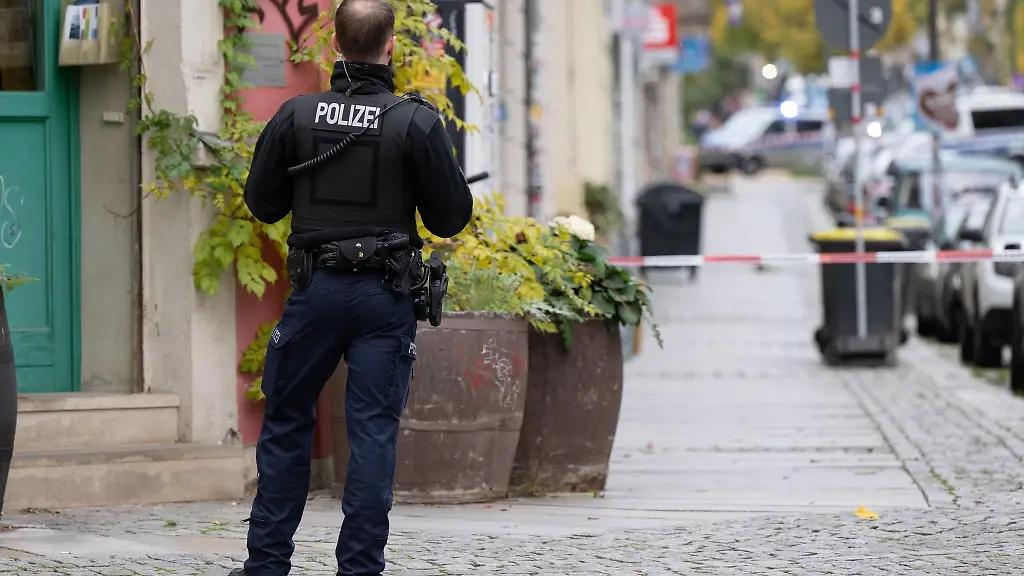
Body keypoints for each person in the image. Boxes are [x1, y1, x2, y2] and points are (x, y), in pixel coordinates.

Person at [228, 1, 473, 574]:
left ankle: (266, 565)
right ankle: (360, 568)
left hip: (314, 294)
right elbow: (450, 218)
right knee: (372, 434)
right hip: (384, 299)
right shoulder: (414, 122)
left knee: (287, 421)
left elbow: (262, 202)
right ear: (391, 46)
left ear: (334, 45)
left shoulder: (296, 115)